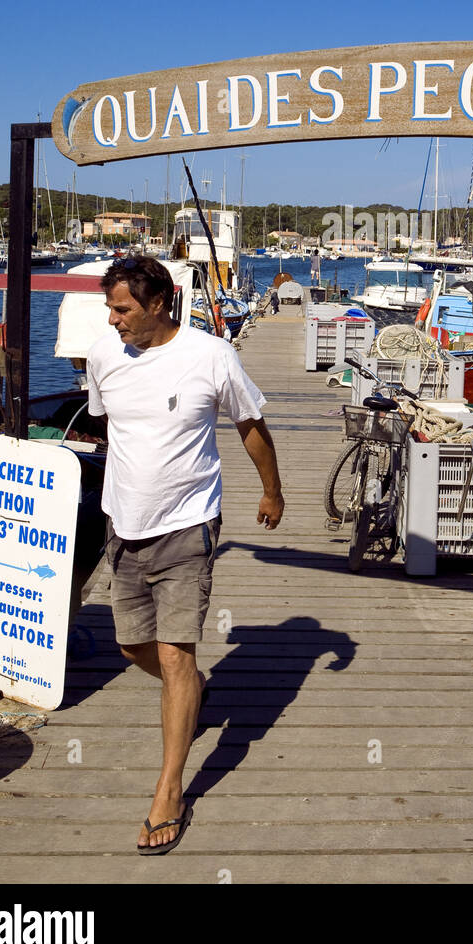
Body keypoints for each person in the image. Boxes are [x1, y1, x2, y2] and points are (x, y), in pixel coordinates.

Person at [86, 255, 284, 855]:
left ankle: (169, 789)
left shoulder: (212, 356)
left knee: (174, 654)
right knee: (131, 647)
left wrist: (272, 489)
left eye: (122, 309)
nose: (113, 320)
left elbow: (250, 423)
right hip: (123, 524)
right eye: (110, 309)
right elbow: (106, 428)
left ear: (159, 304)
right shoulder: (104, 357)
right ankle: (193, 687)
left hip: (188, 524)